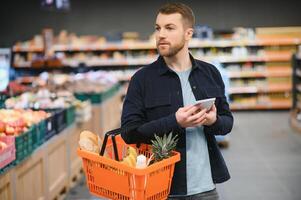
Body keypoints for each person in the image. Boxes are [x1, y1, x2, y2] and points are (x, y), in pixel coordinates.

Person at [121, 2, 233, 200]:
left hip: (206, 187)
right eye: (158, 28)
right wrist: (175, 122)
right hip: (160, 188)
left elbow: (227, 123)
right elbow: (129, 133)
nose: (160, 34)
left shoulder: (210, 73)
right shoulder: (142, 79)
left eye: (169, 28)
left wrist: (213, 121)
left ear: (188, 33)